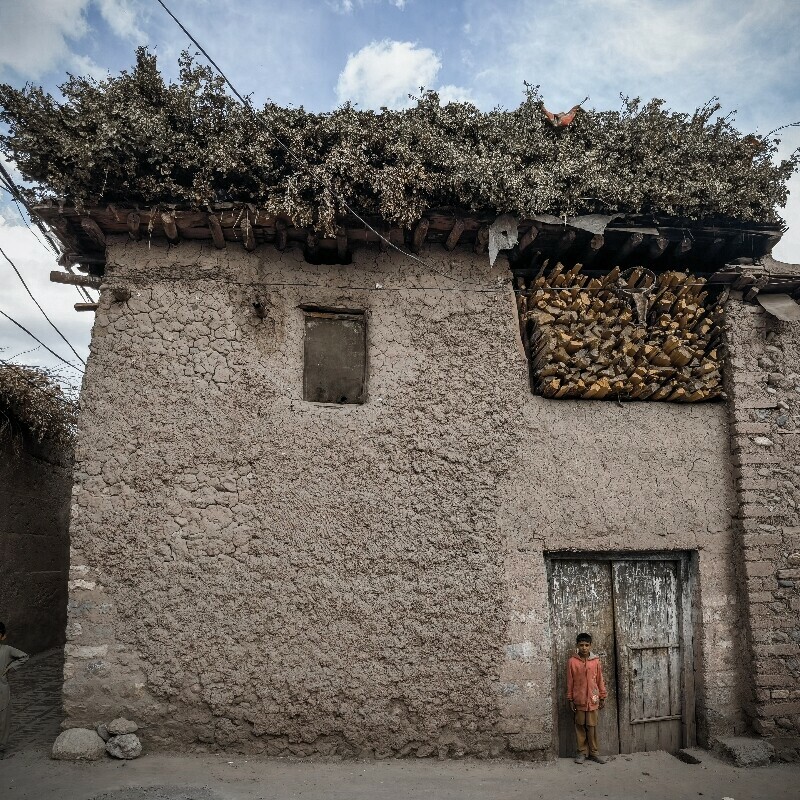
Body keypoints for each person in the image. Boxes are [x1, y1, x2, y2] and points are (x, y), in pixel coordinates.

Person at [566, 631, 607, 765]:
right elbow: (570, 681)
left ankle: (594, 753)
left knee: (592, 727)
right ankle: (581, 752)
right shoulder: (572, 662)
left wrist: (602, 696)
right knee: (580, 727)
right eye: (581, 645)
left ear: (591, 646)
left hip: (593, 700)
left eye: (587, 645)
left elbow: (600, 679)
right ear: (577, 645)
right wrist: (571, 699)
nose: (584, 648)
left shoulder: (595, 661)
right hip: (579, 701)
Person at [0, 622, 30, 757]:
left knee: (3, 717)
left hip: (2, 687)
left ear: (3, 636)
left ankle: (1, 747)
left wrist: (11, 667)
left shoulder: (6, 650)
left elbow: (24, 656)